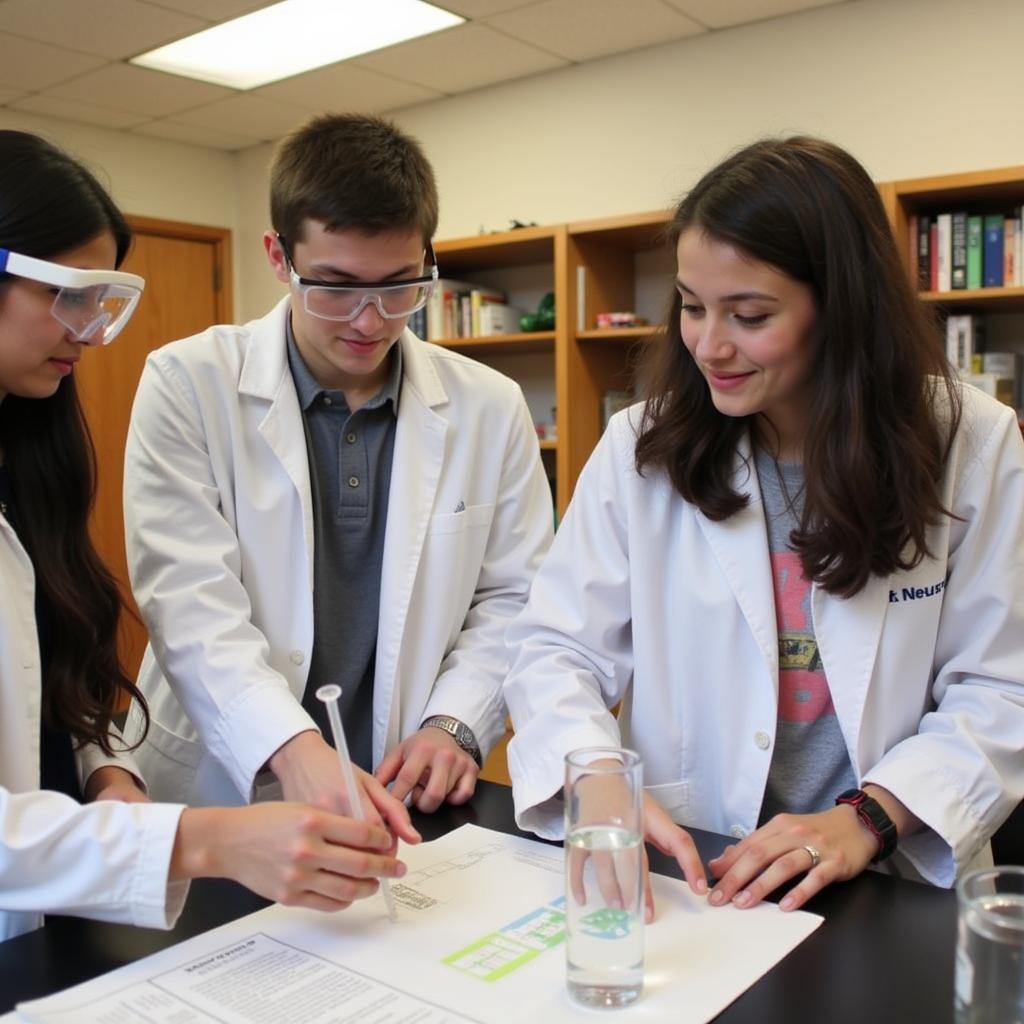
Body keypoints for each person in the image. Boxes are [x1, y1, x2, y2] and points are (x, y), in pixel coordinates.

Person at [504, 136, 1024, 918]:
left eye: (749, 315)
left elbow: (1003, 685)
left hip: (887, 882)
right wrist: (596, 775)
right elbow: (556, 648)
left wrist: (871, 817)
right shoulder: (642, 447)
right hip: (699, 868)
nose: (709, 345)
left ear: (841, 308)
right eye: (690, 305)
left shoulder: (970, 443)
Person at [0, 130, 412, 943]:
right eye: (70, 294)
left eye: (104, 299)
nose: (88, 330)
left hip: (52, 909)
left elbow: (45, 683)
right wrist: (205, 838)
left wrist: (106, 769)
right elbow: (189, 604)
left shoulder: (29, 455)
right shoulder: (187, 383)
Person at [122, 113, 552, 818]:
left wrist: (455, 723)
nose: (370, 320)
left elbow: (514, 597)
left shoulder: (489, 404)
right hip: (226, 785)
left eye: (400, 286)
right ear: (277, 255)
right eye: (335, 285)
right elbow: (188, 602)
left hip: (399, 786)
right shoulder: (188, 383)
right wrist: (289, 745)